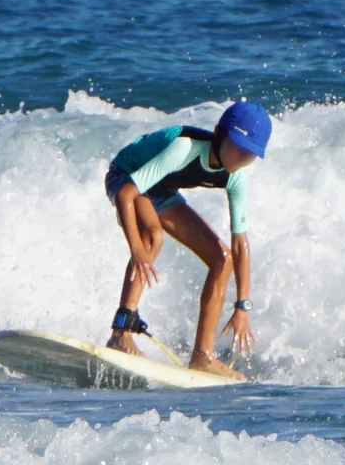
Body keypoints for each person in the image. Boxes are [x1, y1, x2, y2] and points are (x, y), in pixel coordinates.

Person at [103, 101, 270, 380]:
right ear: (219, 134)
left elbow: (240, 243)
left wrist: (242, 305)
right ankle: (120, 333)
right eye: (237, 147)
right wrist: (137, 250)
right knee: (152, 238)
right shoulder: (185, 149)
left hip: (162, 190)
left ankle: (202, 357)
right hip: (126, 176)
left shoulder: (237, 178)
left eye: (249, 154)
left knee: (223, 259)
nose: (240, 158)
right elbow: (126, 195)